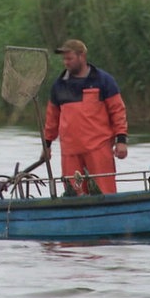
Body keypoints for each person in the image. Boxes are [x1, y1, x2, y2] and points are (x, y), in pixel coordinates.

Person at [41, 39, 128, 194]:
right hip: (70, 152)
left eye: (69, 58)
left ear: (82, 56)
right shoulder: (58, 85)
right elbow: (52, 119)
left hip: (98, 149)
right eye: (64, 59)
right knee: (74, 194)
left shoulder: (103, 80)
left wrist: (121, 140)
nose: (65, 62)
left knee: (104, 192)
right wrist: (46, 145)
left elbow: (118, 111)